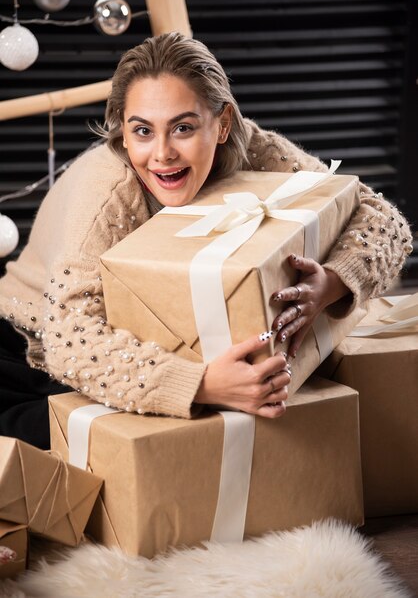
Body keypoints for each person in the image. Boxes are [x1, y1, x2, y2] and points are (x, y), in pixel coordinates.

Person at [0, 32, 412, 449]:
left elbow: (384, 220)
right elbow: (70, 340)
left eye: (182, 127)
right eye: (142, 130)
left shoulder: (255, 149)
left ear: (222, 124)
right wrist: (199, 385)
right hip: (25, 355)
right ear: (123, 133)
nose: (162, 153)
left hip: (142, 342)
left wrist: (332, 283)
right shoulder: (108, 192)